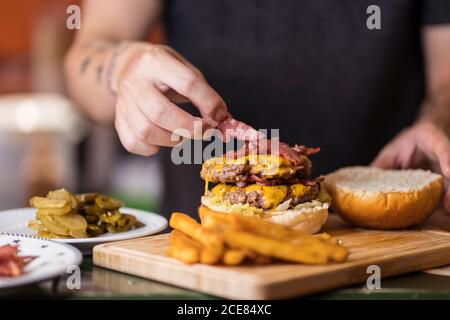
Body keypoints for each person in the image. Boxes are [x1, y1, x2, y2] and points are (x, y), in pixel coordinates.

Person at [64, 0, 450, 217]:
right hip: (199, 258)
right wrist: (121, 69)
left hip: (378, 246)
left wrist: (436, 120)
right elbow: (87, 53)